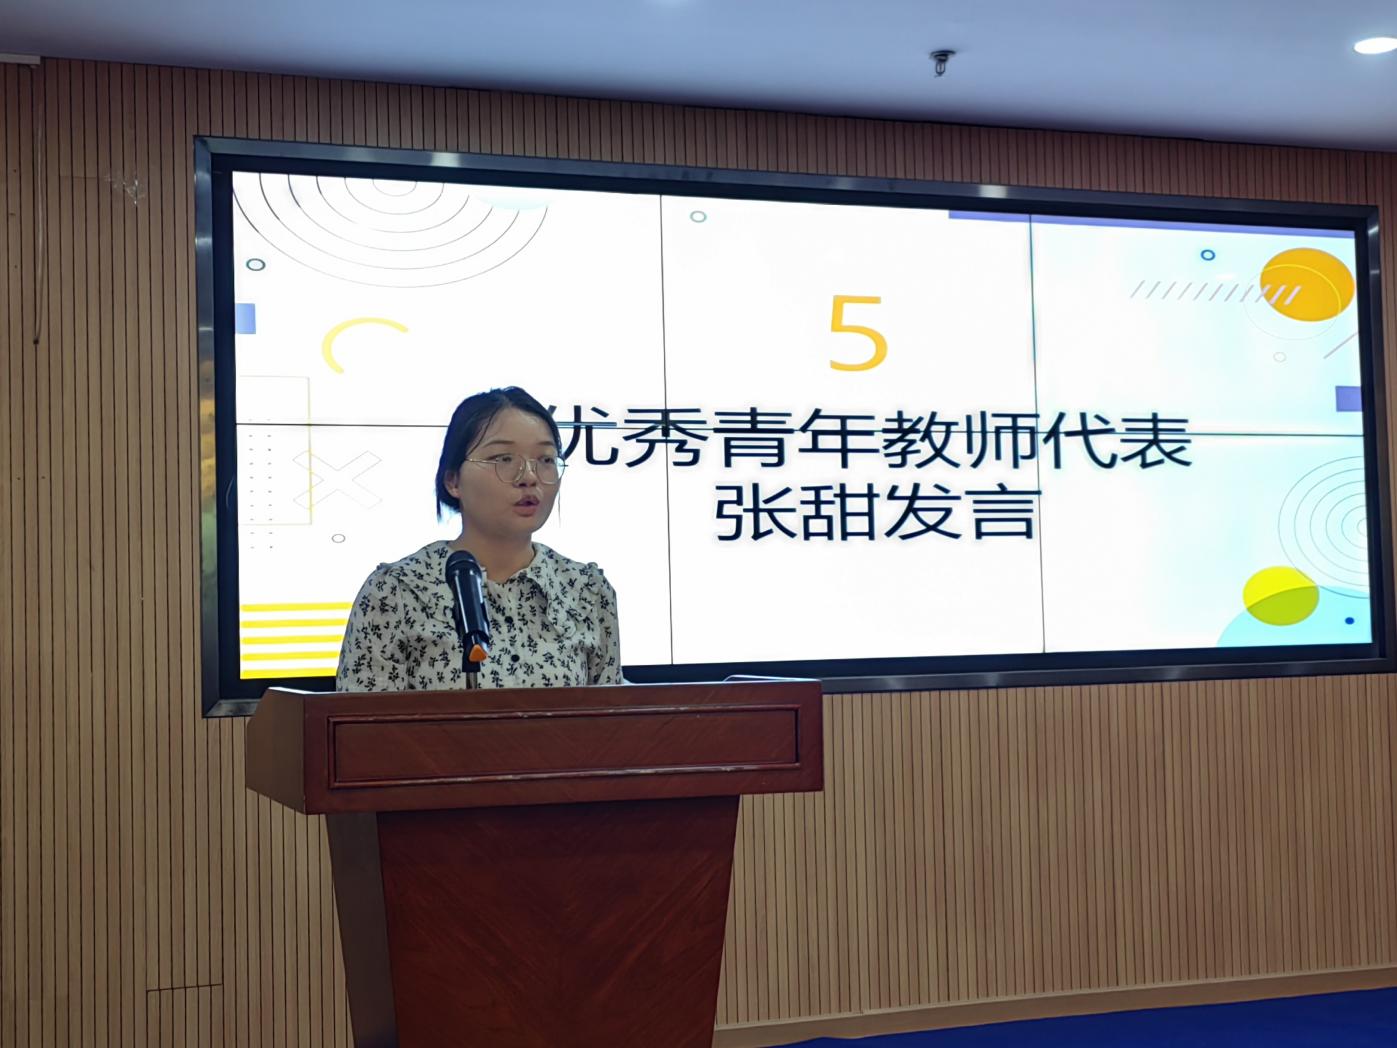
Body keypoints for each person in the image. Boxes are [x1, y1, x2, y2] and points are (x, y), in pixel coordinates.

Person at [335, 386, 622, 691]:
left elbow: (611, 717)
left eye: (546, 459)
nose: (529, 477)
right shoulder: (396, 592)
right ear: (453, 480)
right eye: (504, 459)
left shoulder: (587, 590)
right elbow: (361, 720)